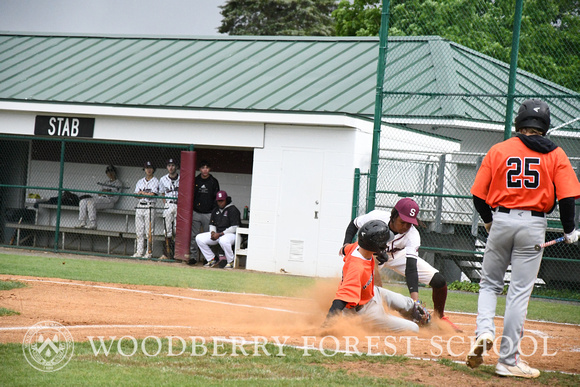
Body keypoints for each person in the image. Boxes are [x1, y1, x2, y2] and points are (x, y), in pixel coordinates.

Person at [467, 99, 580, 378]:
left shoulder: (499, 149)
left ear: (519, 123)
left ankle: (483, 331)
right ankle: (507, 360)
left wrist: (490, 221)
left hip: (502, 219)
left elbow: (478, 196)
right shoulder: (555, 154)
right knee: (518, 292)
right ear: (545, 125)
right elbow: (567, 198)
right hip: (533, 226)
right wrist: (569, 230)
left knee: (490, 284)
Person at [341, 198, 461, 332]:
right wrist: (346, 244)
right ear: (393, 216)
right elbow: (354, 224)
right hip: (375, 254)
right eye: (402, 222)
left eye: (409, 223)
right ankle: (363, 315)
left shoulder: (413, 235)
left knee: (439, 281)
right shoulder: (376, 217)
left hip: (399, 255)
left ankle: (440, 317)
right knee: (375, 288)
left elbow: (411, 268)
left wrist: (415, 301)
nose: (405, 226)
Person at [324, 220, 431, 333]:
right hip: (364, 312)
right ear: (375, 245)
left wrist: (380, 253)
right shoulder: (356, 269)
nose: (386, 245)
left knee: (409, 303)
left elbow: (345, 250)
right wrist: (327, 325)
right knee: (414, 329)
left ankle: (415, 314)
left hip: (373, 293)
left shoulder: (357, 246)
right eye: (384, 243)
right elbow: (340, 300)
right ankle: (371, 326)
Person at [196, 190, 241, 269]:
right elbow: (212, 224)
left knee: (223, 240)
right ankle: (212, 259)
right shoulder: (215, 210)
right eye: (218, 201)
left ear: (226, 200)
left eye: (222, 201)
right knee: (199, 238)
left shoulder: (233, 209)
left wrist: (220, 234)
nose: (220, 203)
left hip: (231, 235)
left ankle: (230, 261)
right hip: (218, 234)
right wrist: (213, 233)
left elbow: (235, 227)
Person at [189, 160, 220, 264]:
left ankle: (207, 258)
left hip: (209, 213)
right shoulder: (196, 180)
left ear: (209, 169)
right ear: (200, 169)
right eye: (203, 167)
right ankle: (193, 257)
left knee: (208, 236)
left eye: (207, 167)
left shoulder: (213, 181)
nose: (205, 170)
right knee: (194, 236)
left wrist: (213, 212)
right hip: (196, 212)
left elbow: (216, 199)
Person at [77, 165, 123, 229]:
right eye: (108, 172)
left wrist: (106, 191)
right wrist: (106, 191)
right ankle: (82, 222)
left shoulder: (118, 183)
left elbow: (111, 194)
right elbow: (99, 193)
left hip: (110, 201)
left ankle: (93, 223)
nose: (110, 174)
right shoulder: (106, 182)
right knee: (83, 201)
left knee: (91, 203)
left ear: (115, 172)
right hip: (101, 199)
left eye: (111, 171)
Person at [133, 161, 159, 259]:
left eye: (151, 168)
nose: (148, 169)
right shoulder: (140, 181)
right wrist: (144, 194)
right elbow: (136, 195)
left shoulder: (156, 181)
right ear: (144, 169)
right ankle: (139, 252)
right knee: (139, 231)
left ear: (153, 169)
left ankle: (149, 252)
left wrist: (142, 193)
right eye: (147, 167)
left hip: (150, 206)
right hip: (140, 206)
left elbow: (153, 194)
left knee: (149, 231)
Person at [158, 158, 179, 260]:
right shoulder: (163, 179)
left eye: (173, 165)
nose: (171, 167)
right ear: (167, 167)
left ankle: (177, 254)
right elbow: (162, 194)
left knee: (177, 230)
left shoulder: (182, 178)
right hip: (168, 204)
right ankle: (167, 254)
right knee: (167, 230)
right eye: (169, 165)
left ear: (176, 167)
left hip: (179, 205)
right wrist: (166, 204)